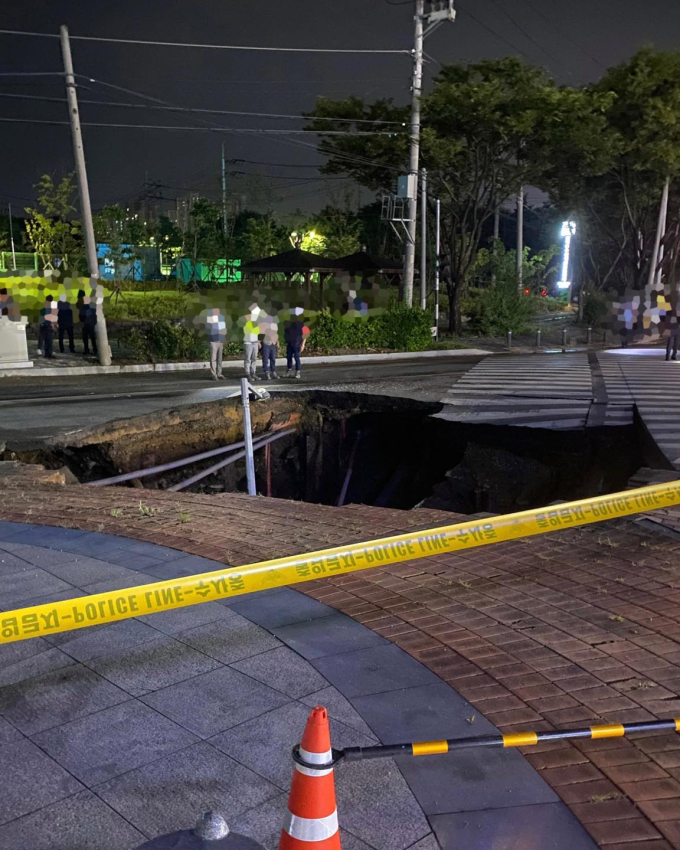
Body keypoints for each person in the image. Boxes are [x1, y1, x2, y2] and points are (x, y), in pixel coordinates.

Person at [284, 307, 307, 379]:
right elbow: (286, 333)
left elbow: (305, 334)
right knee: (289, 357)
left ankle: (297, 372)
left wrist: (303, 344)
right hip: (290, 343)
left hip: (297, 343)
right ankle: (289, 371)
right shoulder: (287, 324)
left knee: (297, 358)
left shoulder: (301, 324)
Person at [207, 307, 226, 380]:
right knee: (213, 358)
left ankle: (219, 373)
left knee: (219, 358)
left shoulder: (221, 318)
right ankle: (213, 374)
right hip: (213, 341)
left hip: (220, 341)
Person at [242, 306, 260, 381]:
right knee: (248, 359)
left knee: (254, 358)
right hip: (248, 342)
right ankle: (248, 373)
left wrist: (258, 342)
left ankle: (253, 372)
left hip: (255, 342)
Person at [261, 313, 279, 380]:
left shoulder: (275, 325)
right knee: (265, 359)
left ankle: (273, 372)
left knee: (273, 358)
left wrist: (277, 341)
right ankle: (266, 372)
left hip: (273, 343)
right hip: (266, 343)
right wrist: (259, 342)